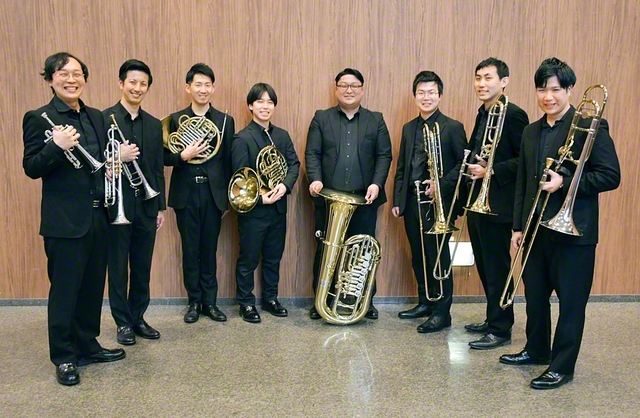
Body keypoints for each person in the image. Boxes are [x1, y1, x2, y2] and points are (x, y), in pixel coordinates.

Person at [500, 58, 620, 389]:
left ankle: (562, 367)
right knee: (535, 297)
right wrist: (518, 227)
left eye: (555, 89)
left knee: (571, 304)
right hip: (536, 231)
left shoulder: (591, 126)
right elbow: (523, 182)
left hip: (574, 235)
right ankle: (537, 349)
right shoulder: (530, 131)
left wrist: (564, 183)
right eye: (542, 90)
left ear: (569, 90)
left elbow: (610, 176)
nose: (548, 97)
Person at [22, 52, 125, 386]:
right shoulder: (39, 118)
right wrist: (56, 146)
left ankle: (87, 344)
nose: (71, 79)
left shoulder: (96, 116)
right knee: (65, 291)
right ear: (50, 79)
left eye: (77, 73)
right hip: (65, 221)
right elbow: (31, 167)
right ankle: (64, 356)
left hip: (99, 214)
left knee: (93, 287)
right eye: (63, 73)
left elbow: (99, 160)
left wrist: (112, 164)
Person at [305, 68, 392, 320]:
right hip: (329, 201)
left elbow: (384, 155)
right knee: (326, 251)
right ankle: (321, 301)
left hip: (364, 199)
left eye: (354, 85)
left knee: (363, 253)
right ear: (336, 90)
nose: (349, 90)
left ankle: (364, 302)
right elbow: (312, 153)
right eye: (343, 85)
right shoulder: (321, 118)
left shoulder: (376, 120)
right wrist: (315, 179)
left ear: (362, 90)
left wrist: (376, 184)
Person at [392, 71, 467, 333]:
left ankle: (442, 312)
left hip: (438, 203)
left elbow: (463, 164)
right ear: (415, 96)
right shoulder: (408, 128)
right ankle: (425, 301)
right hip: (412, 201)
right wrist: (398, 199)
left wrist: (441, 184)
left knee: (438, 257)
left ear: (440, 95)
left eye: (431, 92)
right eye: (421, 93)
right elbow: (402, 166)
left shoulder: (453, 127)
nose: (426, 97)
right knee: (418, 255)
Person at [464, 58, 529, 349]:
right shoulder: (483, 113)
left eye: (488, 77)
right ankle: (493, 318)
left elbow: (523, 160)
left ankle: (501, 329)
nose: (482, 83)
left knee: (498, 268)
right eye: (478, 78)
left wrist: (490, 170)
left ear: (504, 81)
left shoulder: (513, 114)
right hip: (478, 200)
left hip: (498, 204)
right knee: (485, 266)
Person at [164, 63, 235, 323]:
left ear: (213, 88)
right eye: (198, 84)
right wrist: (183, 156)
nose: (203, 89)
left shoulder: (225, 121)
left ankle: (210, 303)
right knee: (190, 249)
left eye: (207, 85)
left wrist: (226, 199)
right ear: (188, 88)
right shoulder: (175, 120)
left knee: (209, 250)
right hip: (185, 193)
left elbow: (228, 161)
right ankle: (193, 302)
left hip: (213, 194)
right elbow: (163, 157)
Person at [103, 59, 166, 345]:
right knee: (118, 267)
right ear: (121, 83)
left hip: (146, 205)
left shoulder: (153, 124)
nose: (137, 88)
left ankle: (138, 317)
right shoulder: (103, 119)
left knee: (142, 266)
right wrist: (117, 157)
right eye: (132, 82)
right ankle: (122, 323)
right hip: (116, 205)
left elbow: (156, 167)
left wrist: (161, 207)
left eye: (143, 84)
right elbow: (95, 162)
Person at [231, 83, 300, 323]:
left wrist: (285, 185)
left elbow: (294, 164)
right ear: (250, 105)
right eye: (260, 101)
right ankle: (246, 303)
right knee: (248, 259)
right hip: (254, 210)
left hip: (278, 206)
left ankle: (271, 299)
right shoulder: (242, 138)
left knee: (273, 257)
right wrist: (260, 196)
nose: (265, 106)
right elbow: (239, 179)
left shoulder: (282, 136)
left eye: (270, 102)